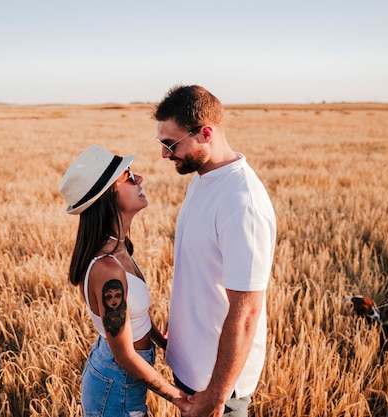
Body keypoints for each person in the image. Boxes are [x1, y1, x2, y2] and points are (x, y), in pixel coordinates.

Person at [153, 85, 277, 417]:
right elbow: (200, 268)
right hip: (192, 364)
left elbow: (247, 311)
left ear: (206, 133)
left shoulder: (242, 203)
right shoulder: (205, 178)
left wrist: (217, 395)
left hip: (215, 380)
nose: (165, 154)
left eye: (170, 144)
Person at [59, 144, 191, 416]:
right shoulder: (108, 269)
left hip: (119, 375)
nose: (139, 179)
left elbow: (132, 316)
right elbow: (125, 355)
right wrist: (180, 399)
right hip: (115, 382)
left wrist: (162, 342)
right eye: (129, 177)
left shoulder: (121, 249)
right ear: (108, 196)